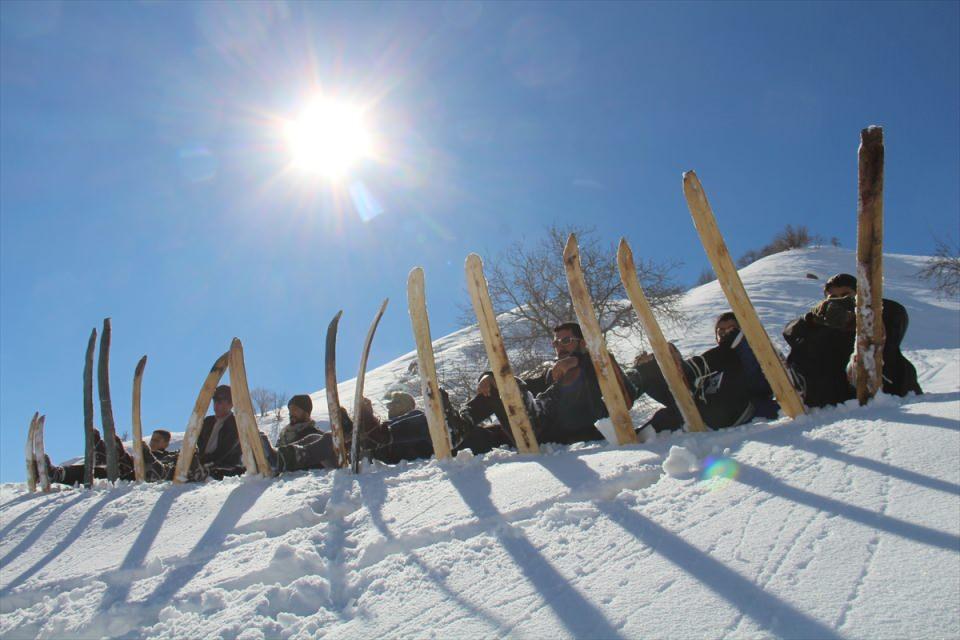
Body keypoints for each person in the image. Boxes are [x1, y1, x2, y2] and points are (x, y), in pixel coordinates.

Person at [444, 322, 633, 454]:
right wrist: (489, 377)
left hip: (577, 429)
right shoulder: (551, 374)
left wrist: (577, 360)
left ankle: (533, 418)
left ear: (582, 343)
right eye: (556, 343)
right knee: (503, 385)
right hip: (540, 428)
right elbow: (522, 386)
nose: (560, 346)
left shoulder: (599, 364)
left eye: (566, 341)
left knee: (572, 376)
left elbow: (625, 391)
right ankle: (458, 428)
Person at [625, 312, 778, 435]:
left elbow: (763, 382)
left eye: (731, 329)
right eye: (721, 331)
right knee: (663, 407)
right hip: (704, 408)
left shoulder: (751, 354)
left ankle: (687, 369)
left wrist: (739, 339)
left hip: (736, 410)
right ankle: (625, 391)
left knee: (731, 351)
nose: (725, 334)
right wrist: (659, 366)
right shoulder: (717, 363)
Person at [784, 273, 922, 407]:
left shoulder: (880, 313)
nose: (839, 301)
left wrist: (857, 309)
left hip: (889, 389)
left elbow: (896, 315)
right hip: (839, 394)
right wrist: (811, 318)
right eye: (833, 297)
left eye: (845, 295)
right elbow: (790, 333)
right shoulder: (823, 320)